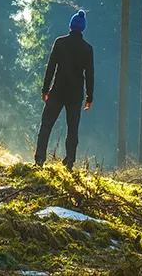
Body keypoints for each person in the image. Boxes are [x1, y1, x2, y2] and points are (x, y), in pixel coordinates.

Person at [34, 9, 94, 170]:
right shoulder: (87, 49)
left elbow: (51, 68)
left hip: (58, 90)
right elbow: (90, 75)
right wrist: (89, 97)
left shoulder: (60, 42)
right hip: (75, 95)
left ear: (70, 25)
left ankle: (39, 159)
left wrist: (45, 89)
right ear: (83, 28)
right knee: (72, 129)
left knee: (46, 125)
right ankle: (70, 161)